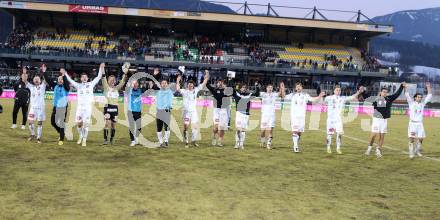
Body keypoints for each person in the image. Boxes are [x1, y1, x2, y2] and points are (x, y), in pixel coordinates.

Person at [64, 63, 104, 147]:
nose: (84, 78)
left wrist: (100, 68)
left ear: (87, 78)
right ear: (81, 78)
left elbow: (98, 77)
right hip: (80, 108)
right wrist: (65, 74)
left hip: (88, 108)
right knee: (79, 124)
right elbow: (70, 81)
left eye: (85, 76)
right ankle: (81, 136)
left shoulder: (91, 84)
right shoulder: (78, 86)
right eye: (82, 77)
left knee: (86, 125)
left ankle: (84, 140)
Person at [365, 82, 405, 158]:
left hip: (384, 120)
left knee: (382, 136)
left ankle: (378, 150)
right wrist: (363, 91)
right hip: (377, 119)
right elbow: (368, 99)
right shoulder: (376, 99)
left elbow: (397, 94)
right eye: (383, 92)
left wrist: (401, 86)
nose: (385, 93)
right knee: (373, 135)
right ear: (380, 92)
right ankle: (369, 148)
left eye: (386, 92)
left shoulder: (389, 98)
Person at [284, 82, 324, 153]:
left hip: (302, 117)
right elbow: (284, 96)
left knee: (299, 133)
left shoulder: (305, 95)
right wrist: (282, 89)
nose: (298, 87)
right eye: (297, 86)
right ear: (295, 88)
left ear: (302, 88)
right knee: (295, 131)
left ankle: (296, 142)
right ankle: (295, 146)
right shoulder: (292, 95)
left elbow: (313, 100)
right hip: (294, 117)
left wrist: (319, 96)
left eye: (300, 86)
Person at [324, 85, 364, 154]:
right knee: (329, 134)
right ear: (334, 91)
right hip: (330, 120)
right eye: (337, 90)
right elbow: (324, 100)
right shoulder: (329, 98)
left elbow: (352, 97)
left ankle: (338, 148)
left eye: (339, 90)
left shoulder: (342, 98)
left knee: (339, 134)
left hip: (338, 120)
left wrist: (358, 92)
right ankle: (328, 147)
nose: (338, 91)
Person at [176, 68, 209, 148]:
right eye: (189, 85)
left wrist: (207, 74)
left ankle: (194, 141)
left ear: (193, 85)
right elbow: (177, 88)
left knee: (195, 127)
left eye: (191, 85)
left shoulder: (196, 90)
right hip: (186, 112)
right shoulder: (184, 91)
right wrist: (177, 80)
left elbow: (204, 82)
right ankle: (187, 142)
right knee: (186, 127)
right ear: (187, 85)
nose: (190, 86)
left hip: (193, 112)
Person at [43, 65, 70, 146]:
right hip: (55, 107)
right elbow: (48, 80)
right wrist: (44, 71)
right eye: (59, 79)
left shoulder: (66, 88)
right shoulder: (55, 86)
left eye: (61, 79)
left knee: (61, 123)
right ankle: (61, 132)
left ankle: (61, 139)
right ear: (57, 80)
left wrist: (64, 75)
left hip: (63, 108)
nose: (60, 80)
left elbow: (66, 84)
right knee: (53, 122)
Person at [101, 63, 127, 145]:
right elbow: (103, 77)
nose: (112, 81)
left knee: (113, 125)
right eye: (110, 80)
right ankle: (105, 140)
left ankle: (111, 139)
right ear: (108, 81)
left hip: (115, 109)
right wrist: (102, 68)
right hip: (107, 108)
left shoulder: (116, 88)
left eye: (113, 80)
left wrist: (125, 73)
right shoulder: (106, 87)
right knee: (107, 124)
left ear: (115, 81)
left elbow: (123, 82)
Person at [149, 68, 175, 148]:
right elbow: (151, 83)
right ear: (161, 84)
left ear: (167, 84)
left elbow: (176, 86)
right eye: (162, 83)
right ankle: (160, 142)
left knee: (167, 127)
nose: (164, 84)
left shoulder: (170, 91)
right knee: (159, 128)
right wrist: (154, 75)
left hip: (167, 111)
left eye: (165, 83)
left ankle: (166, 141)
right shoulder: (158, 91)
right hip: (159, 112)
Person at [405, 82, 432, 159]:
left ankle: (417, 151)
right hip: (412, 124)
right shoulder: (411, 103)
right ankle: (411, 153)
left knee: (421, 138)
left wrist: (428, 87)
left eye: (420, 97)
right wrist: (405, 87)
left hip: (420, 124)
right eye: (418, 97)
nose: (420, 98)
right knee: (411, 138)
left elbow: (429, 96)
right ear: (415, 98)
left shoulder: (422, 104)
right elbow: (407, 95)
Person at [206, 77, 234, 147]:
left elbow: (231, 89)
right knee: (216, 127)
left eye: (221, 82)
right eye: (219, 82)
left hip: (224, 110)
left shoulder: (226, 91)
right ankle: (214, 138)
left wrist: (230, 79)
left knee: (222, 128)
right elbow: (208, 85)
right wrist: (206, 77)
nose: (220, 83)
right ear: (217, 83)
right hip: (217, 110)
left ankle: (220, 141)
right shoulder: (215, 90)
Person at [232, 82, 260, 149]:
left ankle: (241, 144)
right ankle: (237, 143)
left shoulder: (249, 95)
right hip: (239, 113)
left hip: (246, 114)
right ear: (240, 88)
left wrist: (257, 86)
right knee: (239, 129)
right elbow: (232, 90)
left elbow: (257, 94)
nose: (243, 89)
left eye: (245, 87)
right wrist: (231, 80)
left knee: (243, 130)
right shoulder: (237, 94)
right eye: (242, 87)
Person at [259, 82, 285, 150]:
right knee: (262, 131)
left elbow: (281, 94)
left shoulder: (274, 94)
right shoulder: (263, 94)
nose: (270, 89)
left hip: (272, 115)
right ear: (266, 88)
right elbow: (256, 93)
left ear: (272, 89)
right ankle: (262, 141)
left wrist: (281, 87)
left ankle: (268, 144)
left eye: (271, 87)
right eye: (269, 87)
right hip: (264, 115)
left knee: (270, 130)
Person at [26, 67, 48, 143]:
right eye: (35, 79)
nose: (36, 80)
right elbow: (24, 81)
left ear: (40, 80)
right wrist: (25, 73)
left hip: (41, 108)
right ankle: (32, 134)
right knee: (30, 122)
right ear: (33, 80)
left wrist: (44, 72)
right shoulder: (31, 87)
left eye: (38, 79)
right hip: (33, 108)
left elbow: (46, 80)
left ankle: (38, 137)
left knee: (39, 123)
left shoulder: (42, 86)